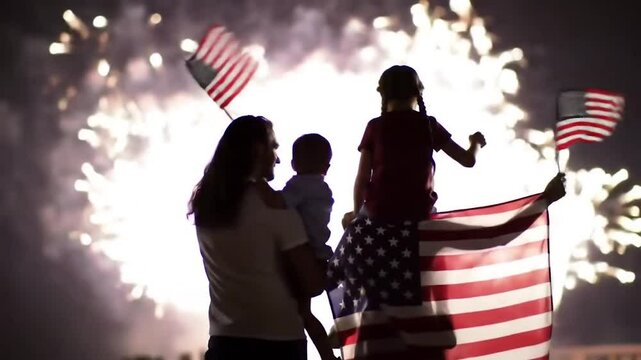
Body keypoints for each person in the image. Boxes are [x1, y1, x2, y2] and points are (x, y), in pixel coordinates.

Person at [188, 115, 326, 360]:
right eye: (273, 147)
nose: (279, 158)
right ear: (257, 149)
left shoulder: (206, 207)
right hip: (279, 344)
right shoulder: (277, 210)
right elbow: (313, 284)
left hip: (224, 343)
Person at [343, 64, 486, 227]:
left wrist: (356, 214)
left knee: (346, 222)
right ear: (418, 92)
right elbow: (467, 160)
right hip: (420, 215)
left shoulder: (375, 127)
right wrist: (476, 143)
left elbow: (362, 178)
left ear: (382, 94)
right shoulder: (429, 125)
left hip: (378, 213)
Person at [282, 134, 337, 360]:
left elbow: (281, 204)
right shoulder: (324, 190)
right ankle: (327, 356)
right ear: (327, 166)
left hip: (302, 259)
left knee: (300, 314)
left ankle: (326, 356)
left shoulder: (297, 186)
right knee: (304, 313)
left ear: (294, 164)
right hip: (319, 258)